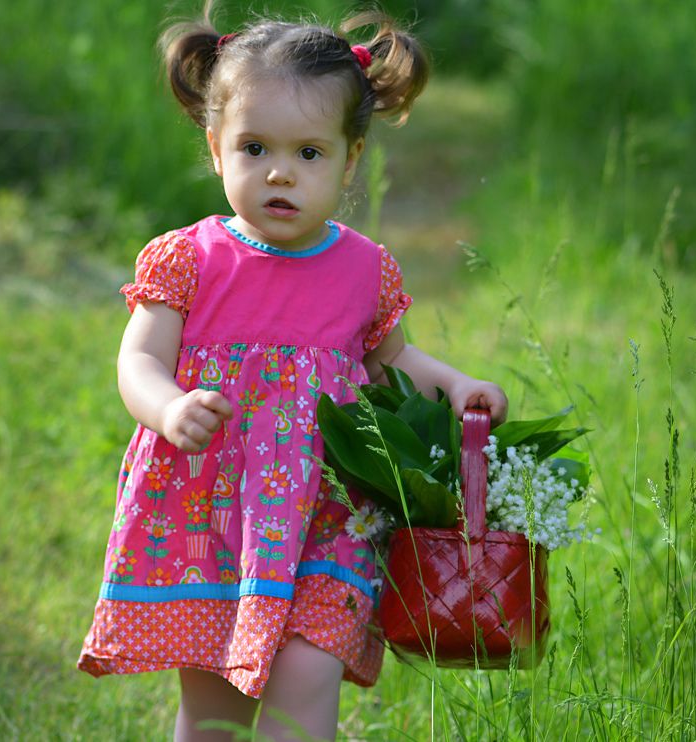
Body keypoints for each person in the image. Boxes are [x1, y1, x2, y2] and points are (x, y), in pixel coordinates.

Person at [77, 5, 508, 741]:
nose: (280, 172)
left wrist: (457, 386)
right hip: (215, 515)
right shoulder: (189, 259)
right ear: (216, 149)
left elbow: (394, 362)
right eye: (254, 148)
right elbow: (139, 358)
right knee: (215, 701)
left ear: (350, 159)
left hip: (328, 512)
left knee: (307, 671)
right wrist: (168, 407)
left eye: (309, 153)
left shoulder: (364, 270)